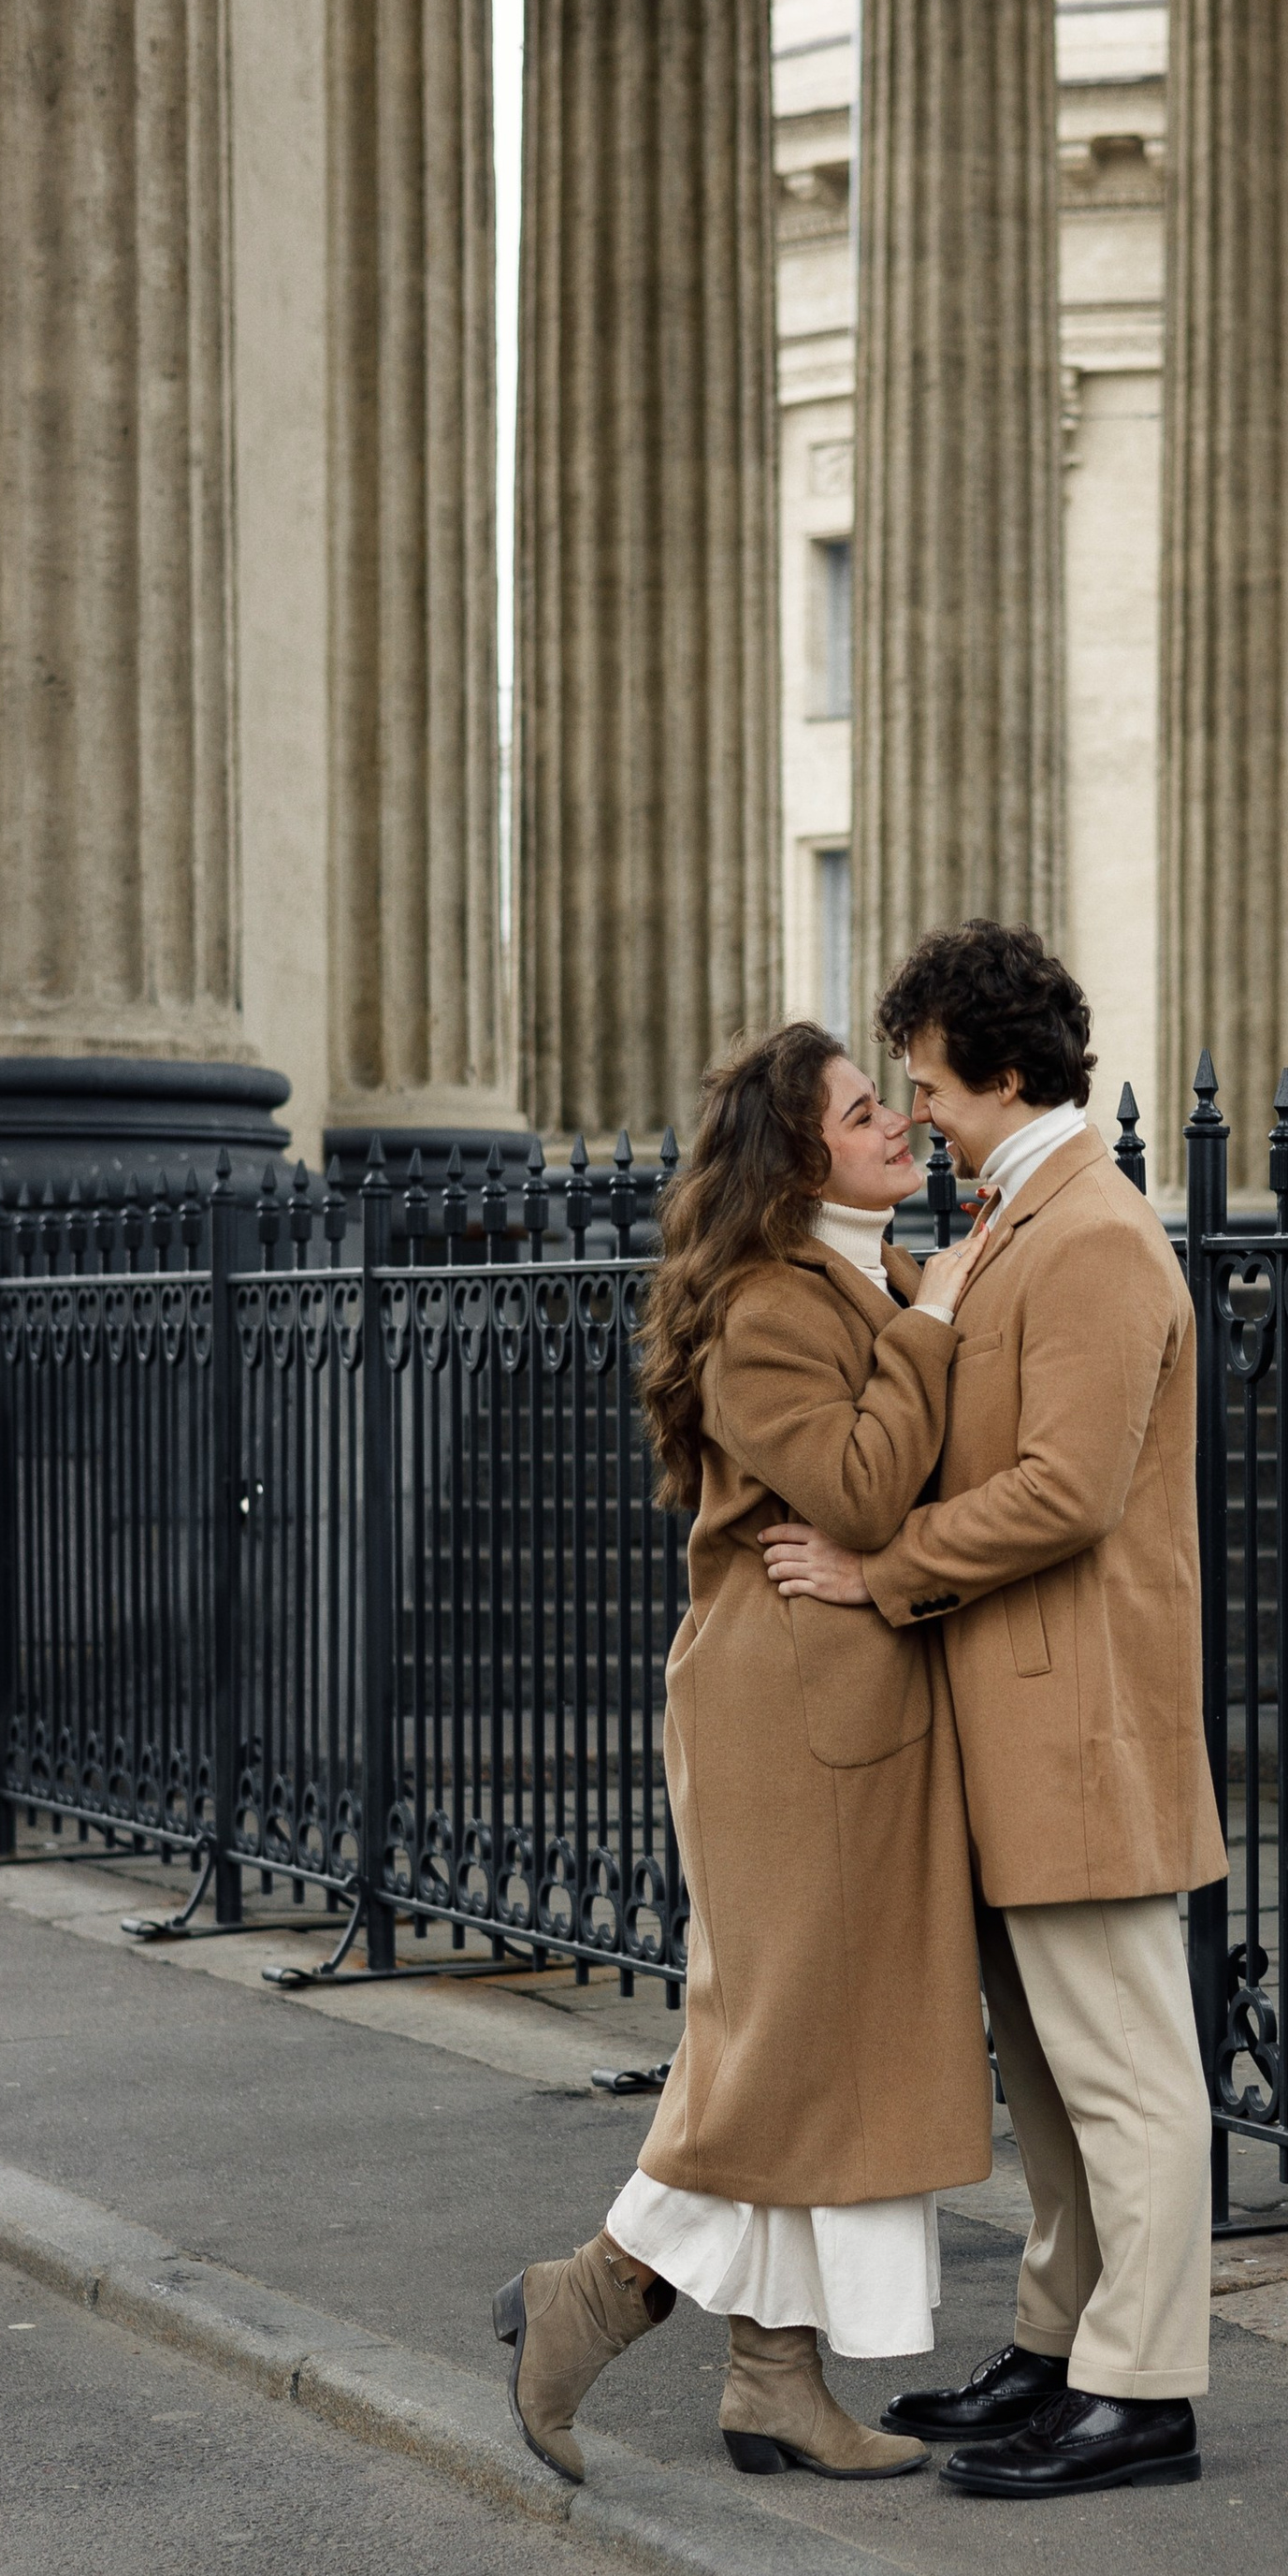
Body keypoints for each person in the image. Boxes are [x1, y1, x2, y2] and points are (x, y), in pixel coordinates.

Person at [494, 1021, 998, 2483]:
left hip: (854, 1711)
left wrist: (922, 1306)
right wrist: (932, 1325)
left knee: (824, 2052)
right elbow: (859, 1487)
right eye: (864, 1109)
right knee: (784, 2045)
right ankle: (593, 2291)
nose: (900, 1123)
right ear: (797, 1156)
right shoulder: (773, 1305)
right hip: (791, 1723)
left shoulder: (869, 1274)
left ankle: (774, 2379)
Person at [760, 922, 1226, 2499]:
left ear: (1008, 1075)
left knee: (1129, 2080)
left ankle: (1140, 2390)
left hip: (1078, 1724)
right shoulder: (1023, 1217)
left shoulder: (1092, 1231)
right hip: (1019, 1726)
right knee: (1053, 2077)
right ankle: (1056, 2347)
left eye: (930, 1086)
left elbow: (1066, 1490)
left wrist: (877, 1569)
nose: (918, 1114)